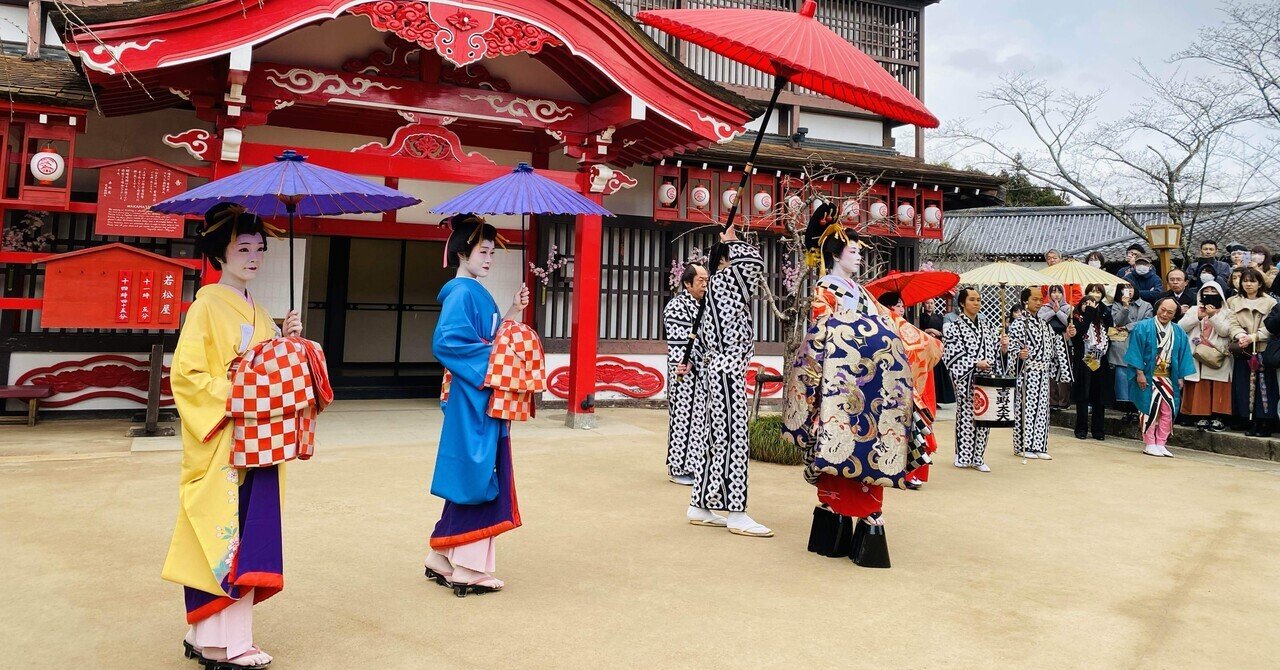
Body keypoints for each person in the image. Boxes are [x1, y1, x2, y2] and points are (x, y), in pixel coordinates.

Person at [166, 203, 302, 669]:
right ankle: (225, 645)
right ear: (218, 255)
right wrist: (241, 389)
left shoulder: (258, 310)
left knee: (244, 531)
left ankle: (204, 633)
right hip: (227, 437)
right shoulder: (206, 304)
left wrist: (287, 341)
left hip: (258, 439)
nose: (254, 257)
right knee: (223, 532)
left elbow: (271, 369)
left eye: (260, 249)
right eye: (243, 248)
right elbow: (186, 377)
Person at [782, 207, 921, 562]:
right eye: (854, 251)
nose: (859, 255)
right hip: (840, 384)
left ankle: (852, 521)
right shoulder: (825, 290)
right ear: (836, 254)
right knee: (840, 444)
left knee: (870, 445)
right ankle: (841, 514)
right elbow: (823, 333)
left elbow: (886, 322)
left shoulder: (859, 291)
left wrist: (915, 338)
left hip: (870, 381)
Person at [424, 214, 530, 596]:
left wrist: (513, 311)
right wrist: (492, 366)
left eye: (491, 252)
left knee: (476, 467)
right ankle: (468, 566)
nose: (489, 258)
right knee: (478, 469)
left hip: (479, 390)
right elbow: (448, 341)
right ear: (462, 252)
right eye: (482, 251)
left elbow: (491, 335)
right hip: (475, 393)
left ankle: (442, 553)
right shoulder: (462, 291)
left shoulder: (472, 291)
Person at [687, 225, 771, 537]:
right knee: (734, 438)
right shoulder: (726, 282)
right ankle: (736, 511)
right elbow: (755, 265)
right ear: (726, 261)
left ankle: (700, 504)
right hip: (727, 369)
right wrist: (733, 242)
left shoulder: (713, 291)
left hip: (716, 369)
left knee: (715, 437)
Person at [879, 290, 942, 488]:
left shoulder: (906, 328)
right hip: (892, 385)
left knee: (913, 430)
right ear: (888, 307)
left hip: (910, 386)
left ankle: (908, 471)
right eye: (897, 304)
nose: (901, 308)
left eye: (901, 304)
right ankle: (897, 472)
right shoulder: (883, 326)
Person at [943, 287, 1008, 472]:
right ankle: (963, 455)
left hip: (985, 380)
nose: (977, 303)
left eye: (979, 299)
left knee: (984, 418)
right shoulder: (953, 327)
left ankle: (978, 457)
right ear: (962, 303)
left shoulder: (987, 327)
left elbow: (995, 353)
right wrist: (974, 363)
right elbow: (950, 355)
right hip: (967, 379)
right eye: (972, 299)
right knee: (965, 417)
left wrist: (1003, 349)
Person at [1124, 297, 1196, 457]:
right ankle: (1149, 442)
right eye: (1162, 310)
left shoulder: (1178, 331)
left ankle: (1161, 442)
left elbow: (1183, 355)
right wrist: (1139, 373)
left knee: (1168, 410)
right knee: (1149, 409)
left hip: (1169, 376)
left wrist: (1180, 377)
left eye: (1170, 312)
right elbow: (1135, 350)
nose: (1165, 314)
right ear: (1157, 308)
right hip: (1148, 375)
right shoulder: (1143, 327)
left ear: (1175, 314)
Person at [1007, 287, 1073, 458]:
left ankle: (1039, 445)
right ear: (1025, 302)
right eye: (1034, 299)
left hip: (1043, 373)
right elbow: (1012, 347)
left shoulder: (1044, 324)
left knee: (1042, 410)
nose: (1038, 302)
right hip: (1026, 372)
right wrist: (1018, 354)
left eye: (1039, 299)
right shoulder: (1019, 323)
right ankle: (1024, 446)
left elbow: (1055, 344)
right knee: (1026, 409)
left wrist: (1068, 335)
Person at [663, 263, 709, 486]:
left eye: (706, 280)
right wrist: (687, 360)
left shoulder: (706, 305)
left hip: (701, 370)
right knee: (683, 418)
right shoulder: (677, 306)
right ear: (687, 283)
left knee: (699, 419)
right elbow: (680, 340)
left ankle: (694, 465)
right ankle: (679, 467)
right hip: (683, 369)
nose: (704, 284)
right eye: (700, 280)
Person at [1225, 267, 1278, 436]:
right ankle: (1247, 419)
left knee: (1264, 387)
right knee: (1244, 386)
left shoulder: (1270, 302)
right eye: (1245, 281)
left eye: (1252, 281)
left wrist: (1254, 337)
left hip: (1262, 348)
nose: (1248, 284)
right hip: (1243, 350)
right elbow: (1231, 323)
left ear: (1260, 283)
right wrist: (1240, 336)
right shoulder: (1233, 301)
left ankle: (1264, 422)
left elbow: (1272, 326)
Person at [1178, 281, 1232, 432]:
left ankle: (1218, 417)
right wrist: (1197, 316)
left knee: (1218, 384)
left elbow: (1225, 332)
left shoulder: (1227, 312)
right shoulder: (1195, 309)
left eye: (1213, 291)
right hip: (1197, 353)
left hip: (1217, 354)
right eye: (1206, 290)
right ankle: (1200, 415)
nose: (1209, 293)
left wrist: (1213, 316)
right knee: (1199, 384)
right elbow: (1181, 327)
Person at [1071, 284, 1113, 440]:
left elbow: (1111, 331)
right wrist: (1089, 312)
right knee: (1083, 396)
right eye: (1085, 302)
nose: (1088, 305)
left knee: (1099, 396)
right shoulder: (1076, 319)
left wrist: (1099, 311)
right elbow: (1080, 332)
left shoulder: (1102, 316)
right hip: (1083, 361)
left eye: (1097, 293)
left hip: (1100, 359)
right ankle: (1081, 428)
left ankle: (1098, 430)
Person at [1110, 283, 1152, 421]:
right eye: (1125, 288)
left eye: (1131, 288)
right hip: (1122, 345)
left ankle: (1139, 408)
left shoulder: (1146, 305)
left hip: (1140, 343)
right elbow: (1117, 321)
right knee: (1123, 376)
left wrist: (1128, 326)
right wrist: (1125, 307)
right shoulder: (1116, 305)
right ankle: (1126, 408)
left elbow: (1147, 322)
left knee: (1139, 376)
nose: (1129, 291)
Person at [1039, 284, 1074, 409]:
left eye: (1059, 292)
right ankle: (1052, 400)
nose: (1056, 295)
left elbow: (1069, 322)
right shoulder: (1044, 308)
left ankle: (1064, 401)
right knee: (1050, 370)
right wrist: (1052, 311)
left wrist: (1058, 311)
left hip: (1064, 340)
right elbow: (1040, 319)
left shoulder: (1068, 307)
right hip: (1048, 341)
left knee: (1064, 369)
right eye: (1053, 292)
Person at [920, 297, 956, 406]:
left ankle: (937, 399)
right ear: (923, 305)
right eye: (927, 303)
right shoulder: (920, 318)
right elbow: (917, 329)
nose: (929, 305)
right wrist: (928, 331)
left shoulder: (939, 317)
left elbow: (944, 331)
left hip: (936, 346)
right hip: (925, 347)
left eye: (931, 303)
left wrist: (937, 333)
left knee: (938, 374)